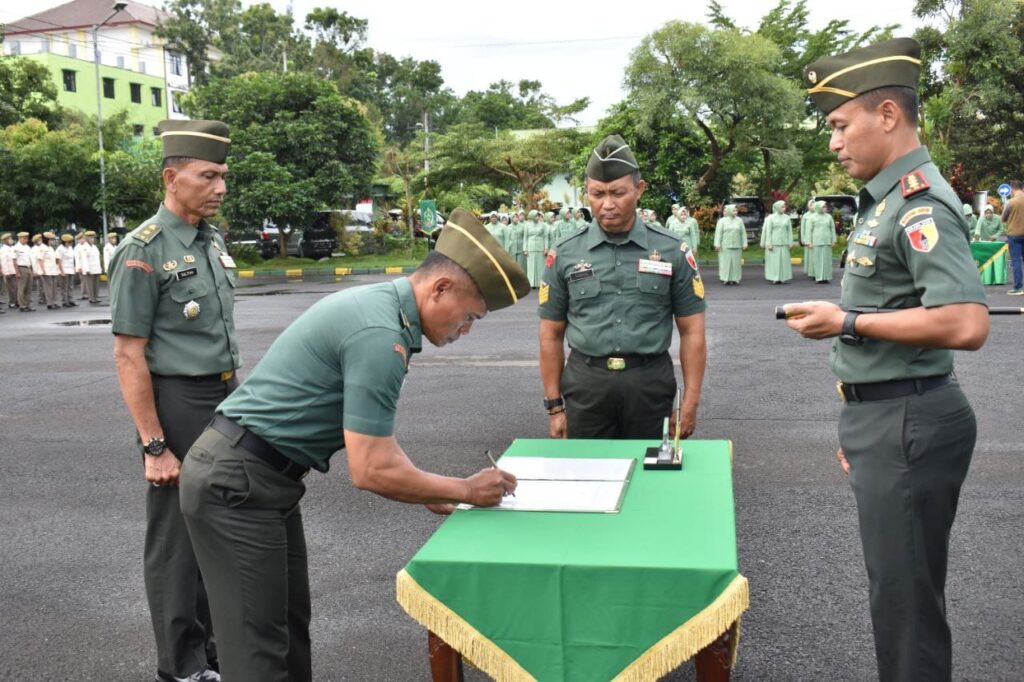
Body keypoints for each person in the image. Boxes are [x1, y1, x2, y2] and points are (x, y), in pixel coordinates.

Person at [178, 208, 527, 682]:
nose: (466, 330)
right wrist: (465, 489)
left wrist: (434, 489)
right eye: (469, 316)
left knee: (286, 631)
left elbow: (379, 442)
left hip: (260, 480)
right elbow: (371, 469)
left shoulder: (385, 311)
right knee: (256, 650)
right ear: (439, 288)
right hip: (237, 485)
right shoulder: (380, 335)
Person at [784, 37, 989, 682]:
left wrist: (845, 320)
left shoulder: (919, 203)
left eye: (841, 125)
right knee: (896, 592)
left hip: (908, 418)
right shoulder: (888, 201)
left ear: (888, 116)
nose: (833, 141)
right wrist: (865, 428)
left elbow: (965, 322)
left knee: (905, 604)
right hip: (888, 419)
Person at [109, 119, 238, 682]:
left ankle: (211, 650)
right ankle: (180, 666)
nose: (220, 187)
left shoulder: (211, 240)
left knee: (216, 529)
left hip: (225, 396)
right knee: (176, 540)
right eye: (207, 175)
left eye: (224, 176)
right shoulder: (142, 251)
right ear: (171, 177)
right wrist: (154, 444)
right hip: (176, 403)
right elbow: (129, 355)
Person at [537, 134, 707, 440]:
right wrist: (554, 406)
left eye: (618, 193)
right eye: (597, 194)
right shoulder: (564, 253)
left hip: (650, 386)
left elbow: (692, 330)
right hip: (586, 386)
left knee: (652, 478)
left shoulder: (672, 251)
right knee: (588, 480)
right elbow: (550, 334)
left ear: (639, 190)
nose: (607, 204)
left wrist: (690, 401)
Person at [761, 200, 793, 284]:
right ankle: (774, 277)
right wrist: (768, 243)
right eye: (782, 207)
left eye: (784, 206)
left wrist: (790, 242)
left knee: (783, 261)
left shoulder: (787, 218)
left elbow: (789, 231)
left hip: (784, 243)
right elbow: (768, 231)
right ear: (777, 207)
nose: (784, 208)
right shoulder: (771, 218)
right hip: (774, 243)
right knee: (774, 262)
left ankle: (783, 277)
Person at [1001, 180, 1024, 295]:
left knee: (1016, 261)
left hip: (1014, 235)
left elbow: (1003, 219)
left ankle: (1018, 287)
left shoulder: (1010, 202)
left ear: (1013, 189)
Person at [714, 204, 746, 284]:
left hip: (737, 245)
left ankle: (735, 278)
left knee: (736, 263)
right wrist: (717, 244)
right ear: (729, 211)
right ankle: (725, 278)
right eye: (734, 210)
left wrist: (744, 243)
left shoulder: (739, 220)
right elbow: (718, 233)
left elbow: (743, 233)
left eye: (736, 210)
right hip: (725, 246)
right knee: (725, 263)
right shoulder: (722, 221)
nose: (736, 212)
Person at [806, 201, 837, 283]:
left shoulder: (829, 217)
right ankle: (819, 277)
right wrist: (809, 242)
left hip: (827, 241)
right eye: (823, 207)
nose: (825, 208)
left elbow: (832, 229)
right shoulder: (812, 217)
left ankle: (826, 277)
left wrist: (833, 240)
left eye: (825, 206)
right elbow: (809, 231)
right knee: (817, 260)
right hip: (816, 241)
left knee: (827, 260)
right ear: (819, 207)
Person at [524, 209, 548, 288]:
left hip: (540, 247)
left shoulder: (543, 225)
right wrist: (525, 249)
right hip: (530, 248)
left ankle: (539, 283)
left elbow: (545, 237)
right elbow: (525, 237)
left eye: (538, 215)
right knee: (531, 266)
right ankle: (531, 283)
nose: (537, 217)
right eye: (536, 216)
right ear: (532, 216)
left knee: (540, 265)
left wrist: (546, 248)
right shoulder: (527, 225)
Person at [37, 232, 60, 309]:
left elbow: (54, 260)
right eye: (50, 240)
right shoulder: (42, 248)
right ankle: (50, 303)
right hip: (46, 271)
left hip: (53, 270)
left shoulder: (51, 248)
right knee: (48, 288)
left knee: (54, 287)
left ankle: (54, 302)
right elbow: (40, 260)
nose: (52, 241)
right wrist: (43, 270)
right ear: (46, 240)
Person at [13, 232, 34, 312]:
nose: (26, 240)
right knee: (22, 288)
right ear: (20, 238)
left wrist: (31, 270)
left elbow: (30, 259)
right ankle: (22, 305)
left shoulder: (28, 247)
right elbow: (14, 261)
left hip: (28, 268)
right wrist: (17, 272)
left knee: (28, 288)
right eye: (24, 238)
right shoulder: (16, 248)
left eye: (27, 238)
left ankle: (27, 304)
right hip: (21, 268)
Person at [55, 234, 78, 308]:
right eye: (69, 242)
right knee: (64, 287)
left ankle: (70, 300)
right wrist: (61, 271)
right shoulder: (60, 249)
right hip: (64, 270)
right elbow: (59, 261)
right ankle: (64, 301)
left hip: (70, 269)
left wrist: (74, 267)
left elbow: (72, 259)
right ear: (65, 242)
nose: (70, 244)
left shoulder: (70, 248)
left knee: (70, 286)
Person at [81, 231, 103, 304]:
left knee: (96, 284)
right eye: (90, 238)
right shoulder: (84, 247)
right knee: (90, 285)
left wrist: (100, 268)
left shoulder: (94, 247)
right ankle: (91, 298)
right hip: (90, 269)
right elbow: (84, 259)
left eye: (93, 238)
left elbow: (97, 258)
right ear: (86, 238)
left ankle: (95, 297)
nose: (92, 239)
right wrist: (86, 269)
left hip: (96, 268)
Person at [0, 233, 16, 311]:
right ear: (5, 240)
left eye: (11, 238)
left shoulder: (12, 248)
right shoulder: (3, 250)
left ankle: (16, 301)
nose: (11, 240)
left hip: (14, 271)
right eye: (9, 238)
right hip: (9, 271)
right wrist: (6, 272)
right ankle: (11, 302)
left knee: (15, 287)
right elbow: (4, 262)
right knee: (10, 288)